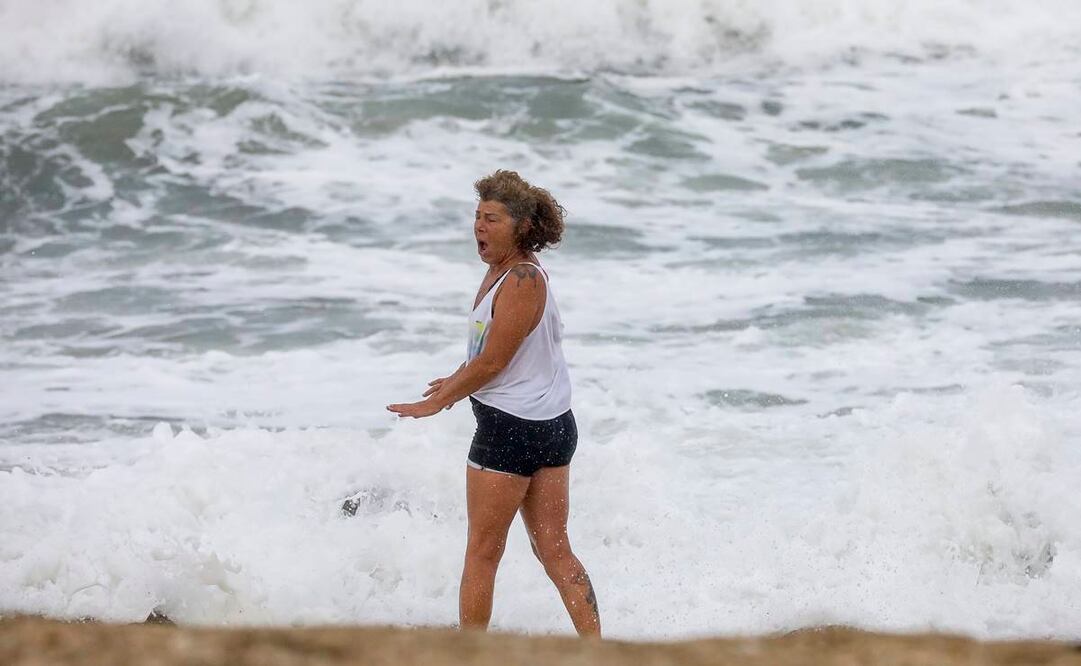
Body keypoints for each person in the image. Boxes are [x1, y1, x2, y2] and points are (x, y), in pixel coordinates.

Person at [387, 170, 600, 637]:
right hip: (549, 424)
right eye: (477, 217)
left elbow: (494, 363)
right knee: (554, 549)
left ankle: (472, 655)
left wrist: (439, 401)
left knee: (483, 553)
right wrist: (458, 377)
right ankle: (596, 650)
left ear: (522, 226)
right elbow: (494, 355)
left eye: (492, 219)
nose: (479, 227)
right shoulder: (501, 273)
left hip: (513, 431)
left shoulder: (522, 278)